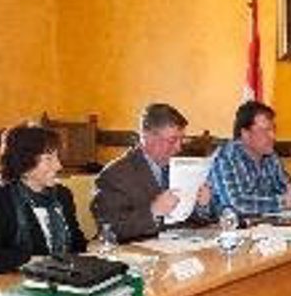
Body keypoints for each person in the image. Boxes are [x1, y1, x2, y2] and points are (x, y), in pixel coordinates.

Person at [0, 124, 88, 274]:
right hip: (21, 279)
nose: (59, 166)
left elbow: (77, 242)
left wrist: (93, 248)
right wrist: (28, 260)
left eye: (57, 157)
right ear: (24, 163)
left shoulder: (63, 195)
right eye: (48, 159)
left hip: (66, 276)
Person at [91, 103, 213, 242]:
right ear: (147, 136)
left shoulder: (179, 168)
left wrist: (201, 206)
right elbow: (110, 228)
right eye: (172, 140)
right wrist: (153, 212)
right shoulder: (115, 175)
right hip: (137, 252)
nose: (178, 148)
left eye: (182, 140)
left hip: (180, 247)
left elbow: (187, 219)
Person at [209, 100, 291, 217]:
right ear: (245, 133)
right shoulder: (226, 157)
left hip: (263, 225)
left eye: (274, 130)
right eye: (265, 130)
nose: (273, 136)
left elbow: (289, 191)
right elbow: (235, 205)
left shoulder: (271, 156)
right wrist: (281, 202)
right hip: (227, 226)